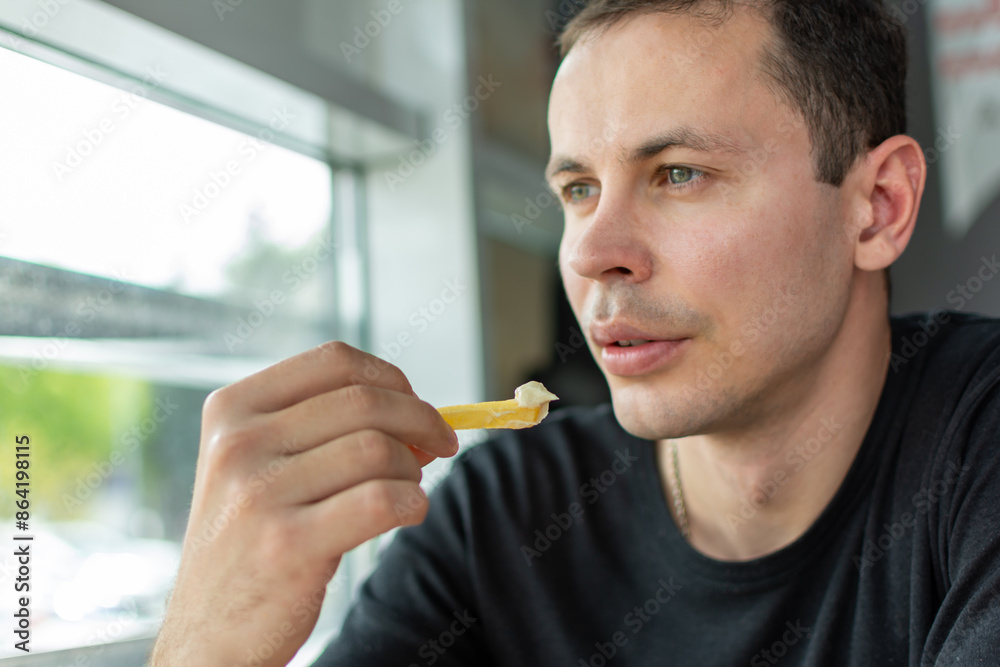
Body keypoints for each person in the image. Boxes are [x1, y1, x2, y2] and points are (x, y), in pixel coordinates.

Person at [150, 1, 1000, 665]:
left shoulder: (978, 446)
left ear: (877, 206)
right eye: (580, 190)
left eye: (678, 174)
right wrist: (209, 642)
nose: (593, 253)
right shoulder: (504, 513)